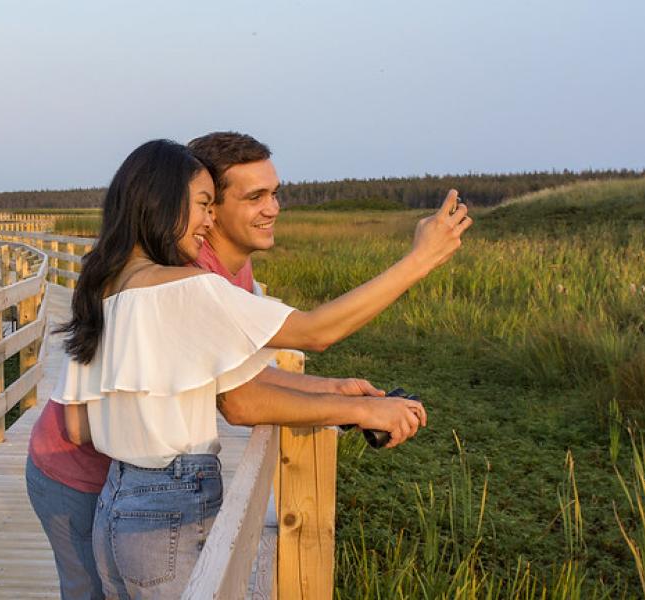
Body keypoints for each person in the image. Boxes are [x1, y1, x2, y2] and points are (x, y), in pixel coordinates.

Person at [51, 139, 469, 598]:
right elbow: (314, 332)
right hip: (170, 506)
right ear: (162, 203)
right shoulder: (188, 288)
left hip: (115, 505)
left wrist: (338, 397)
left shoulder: (101, 289)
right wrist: (419, 260)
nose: (208, 221)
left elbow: (79, 425)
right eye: (203, 206)